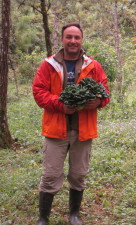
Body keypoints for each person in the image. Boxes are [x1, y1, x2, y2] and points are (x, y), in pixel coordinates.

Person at [32, 22, 110, 225]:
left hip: (83, 129)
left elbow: (105, 91)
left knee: (78, 174)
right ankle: (43, 217)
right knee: (50, 175)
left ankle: (74, 214)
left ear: (81, 40)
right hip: (56, 129)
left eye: (77, 37)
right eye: (69, 37)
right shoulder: (48, 64)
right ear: (62, 39)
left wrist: (99, 101)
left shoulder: (92, 65)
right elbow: (38, 92)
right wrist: (60, 105)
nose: (73, 41)